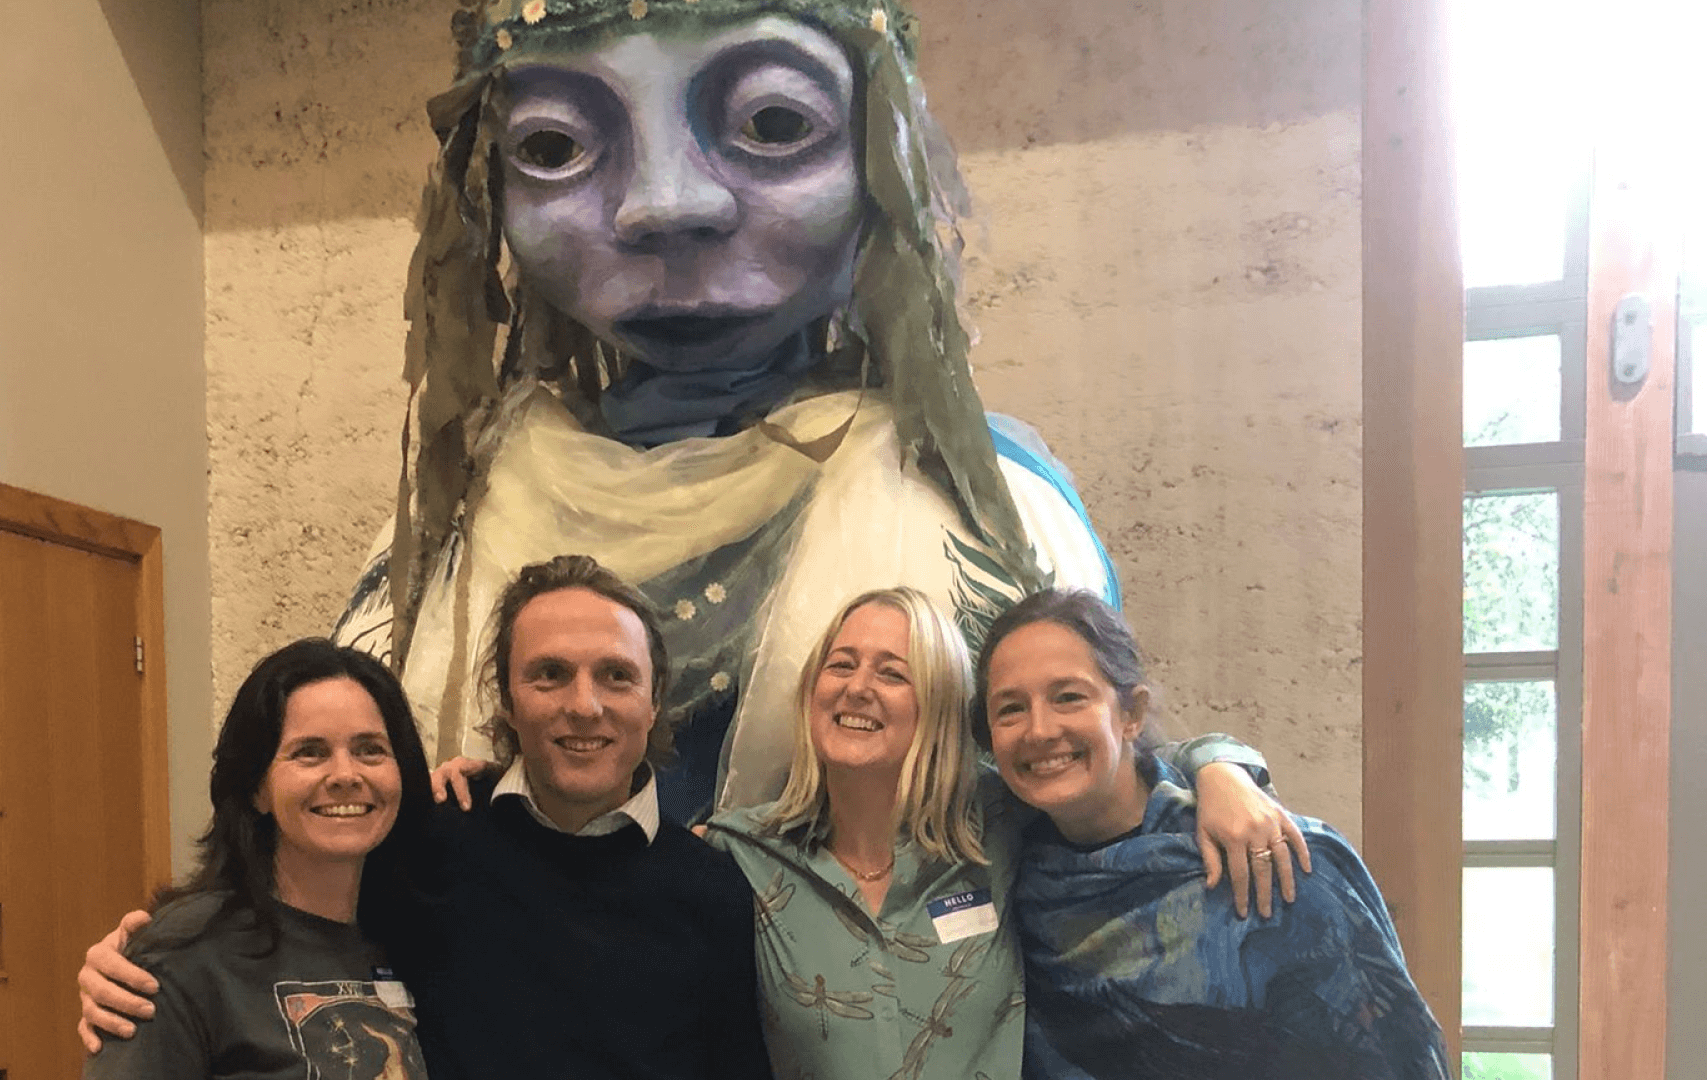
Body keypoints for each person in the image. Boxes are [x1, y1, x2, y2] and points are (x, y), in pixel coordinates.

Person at [331, 0, 1131, 824]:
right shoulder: (461, 514)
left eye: (775, 122)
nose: (665, 204)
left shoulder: (981, 508)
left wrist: (1213, 773)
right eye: (553, 146)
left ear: (881, 158)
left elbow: (1092, 766)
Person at [431, 585, 1309, 1080]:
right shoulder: (734, 855)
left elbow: (1102, 766)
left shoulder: (1003, 830)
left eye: (892, 671)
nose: (858, 687)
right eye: (840, 665)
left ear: (932, 701)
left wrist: (1221, 768)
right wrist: (475, 779)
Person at [82, 555, 774, 1080]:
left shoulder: (712, 889)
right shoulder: (433, 844)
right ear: (506, 701)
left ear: (656, 703)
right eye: (549, 674)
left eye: (616, 676)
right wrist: (134, 956)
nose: (584, 705)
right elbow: (278, 908)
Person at [974, 590, 1449, 1080]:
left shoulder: (1271, 859)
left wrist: (1222, 769)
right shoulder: (1007, 871)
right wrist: (1217, 762)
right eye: (1010, 709)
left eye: (1069, 697)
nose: (1039, 730)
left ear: (1131, 713)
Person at [82, 638, 434, 1079]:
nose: (346, 775)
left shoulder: (415, 936)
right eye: (310, 752)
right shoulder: (183, 955)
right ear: (256, 788)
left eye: (370, 750)